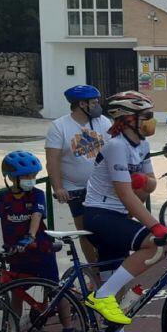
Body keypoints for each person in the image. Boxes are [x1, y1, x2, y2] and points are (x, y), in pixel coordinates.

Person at [81, 90, 167, 332]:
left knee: (116, 296)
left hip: (116, 215)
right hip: (98, 215)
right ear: (128, 119)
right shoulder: (116, 145)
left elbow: (151, 185)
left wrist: (143, 179)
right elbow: (127, 195)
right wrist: (155, 226)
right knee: (152, 245)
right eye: (145, 117)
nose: (150, 122)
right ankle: (101, 295)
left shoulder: (140, 145)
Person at [0, 151, 73, 332]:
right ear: (12, 178)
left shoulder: (37, 195)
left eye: (33, 176)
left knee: (55, 290)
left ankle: (68, 329)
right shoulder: (4, 199)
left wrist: (31, 236)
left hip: (40, 251)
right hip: (16, 254)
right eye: (26, 177)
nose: (30, 180)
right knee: (16, 296)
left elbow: (36, 214)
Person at [46, 85, 111, 232]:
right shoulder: (59, 126)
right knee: (84, 230)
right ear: (82, 104)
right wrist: (58, 187)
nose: (97, 106)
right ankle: (91, 256)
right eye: (94, 103)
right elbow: (52, 160)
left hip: (102, 185)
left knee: (106, 226)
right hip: (75, 188)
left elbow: (113, 150)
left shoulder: (104, 122)